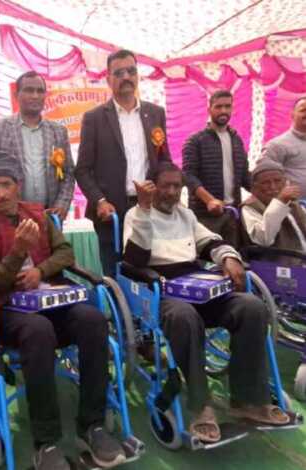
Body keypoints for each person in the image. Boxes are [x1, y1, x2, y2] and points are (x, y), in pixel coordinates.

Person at [0, 150, 124, 470]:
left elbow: (65, 254)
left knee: (93, 320)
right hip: (11, 311)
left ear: (18, 185)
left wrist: (40, 270)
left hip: (53, 300)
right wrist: (19, 251)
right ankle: (46, 441)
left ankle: (92, 425)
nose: (1, 193)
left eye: (6, 185)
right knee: (39, 331)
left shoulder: (39, 215)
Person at [123, 162, 289, 443]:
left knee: (252, 307)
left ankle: (247, 399)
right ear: (152, 187)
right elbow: (134, 260)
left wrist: (229, 258)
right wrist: (144, 209)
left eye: (177, 186)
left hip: (197, 286)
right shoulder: (136, 215)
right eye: (165, 186)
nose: (172, 192)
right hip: (160, 290)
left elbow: (210, 242)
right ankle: (201, 406)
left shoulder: (185, 215)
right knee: (184, 317)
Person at [76, 49, 171, 276]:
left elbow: (164, 161)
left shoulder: (156, 113)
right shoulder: (94, 118)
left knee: (150, 273)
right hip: (111, 213)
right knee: (115, 275)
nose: (126, 77)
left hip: (148, 209)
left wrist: (166, 192)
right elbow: (82, 170)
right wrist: (100, 201)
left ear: (138, 75)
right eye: (119, 73)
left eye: (131, 71)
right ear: (108, 79)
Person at [0, 71, 74, 220]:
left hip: (50, 216)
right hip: (10, 217)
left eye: (40, 91)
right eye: (29, 90)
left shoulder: (58, 131)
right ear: (16, 95)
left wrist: (62, 205)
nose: (35, 96)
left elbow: (68, 173)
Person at [182, 89, 251, 247]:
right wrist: (210, 200)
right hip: (205, 215)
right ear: (209, 109)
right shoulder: (195, 141)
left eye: (227, 106)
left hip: (233, 213)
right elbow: (188, 176)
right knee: (208, 258)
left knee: (233, 256)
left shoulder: (237, 140)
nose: (223, 111)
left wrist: (262, 194)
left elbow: (244, 176)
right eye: (218, 107)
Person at [241, 159, 306, 258]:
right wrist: (279, 202)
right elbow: (263, 239)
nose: (273, 187)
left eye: (277, 181)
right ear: (255, 187)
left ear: (285, 182)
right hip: (277, 265)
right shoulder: (250, 208)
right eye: (265, 183)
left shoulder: (294, 204)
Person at [263, 96, 306, 195]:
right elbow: (264, 177)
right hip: (293, 203)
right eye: (303, 110)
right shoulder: (276, 145)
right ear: (292, 114)